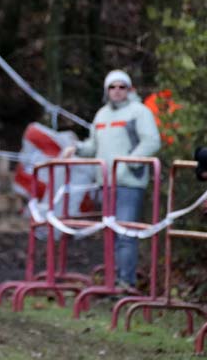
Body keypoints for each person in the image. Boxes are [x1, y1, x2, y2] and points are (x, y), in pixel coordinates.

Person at [63, 69, 160, 288]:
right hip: (105, 182)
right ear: (107, 91)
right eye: (112, 87)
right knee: (110, 234)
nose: (117, 91)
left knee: (126, 233)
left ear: (129, 89)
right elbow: (93, 147)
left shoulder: (139, 112)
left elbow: (152, 141)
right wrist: (76, 148)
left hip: (129, 183)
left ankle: (126, 282)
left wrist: (130, 161)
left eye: (121, 87)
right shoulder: (101, 115)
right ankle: (113, 279)